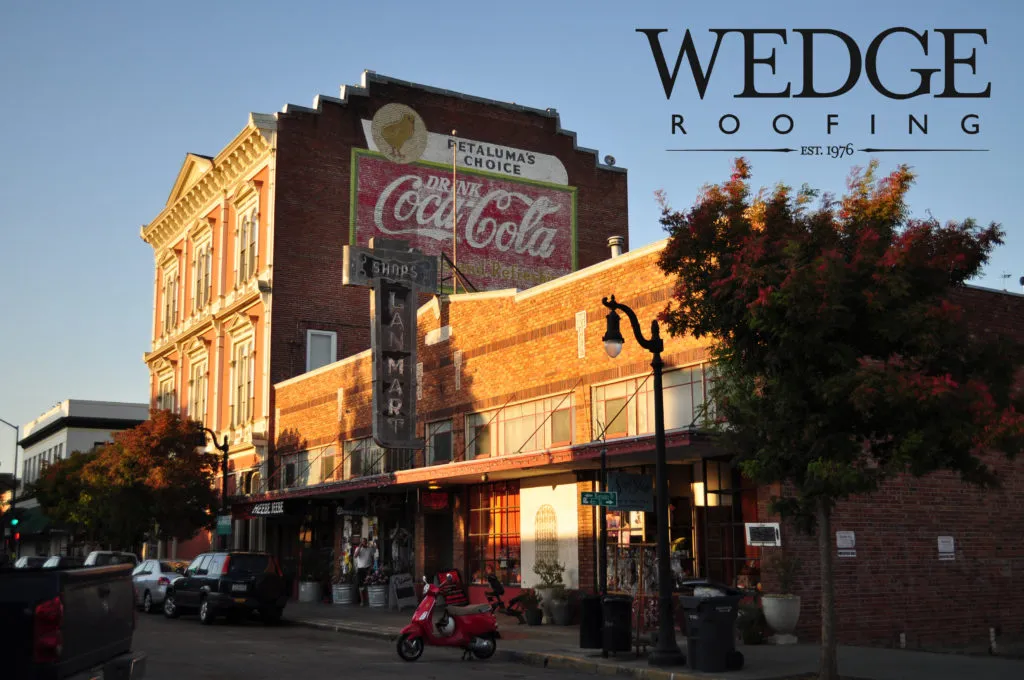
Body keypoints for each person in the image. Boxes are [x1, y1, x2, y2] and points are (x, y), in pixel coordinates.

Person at [354, 538, 374, 605]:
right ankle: (362, 601)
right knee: (361, 586)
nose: (364, 543)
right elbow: (355, 556)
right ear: (361, 542)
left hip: (368, 568)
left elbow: (372, 560)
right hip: (361, 569)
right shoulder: (358, 549)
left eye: (365, 542)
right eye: (362, 542)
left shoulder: (370, 549)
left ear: (367, 542)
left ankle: (369, 600)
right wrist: (360, 546)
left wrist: (370, 568)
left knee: (369, 584)